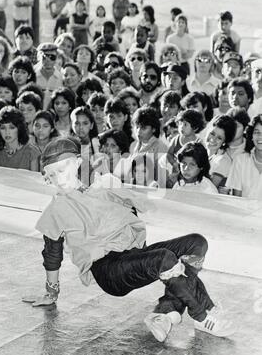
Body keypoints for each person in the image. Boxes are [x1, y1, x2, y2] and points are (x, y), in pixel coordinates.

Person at [22, 136, 235, 342]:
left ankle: (166, 314)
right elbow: (52, 254)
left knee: (196, 243)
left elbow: (134, 213)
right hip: (108, 270)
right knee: (164, 258)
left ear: (78, 163)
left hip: (132, 255)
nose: (58, 178)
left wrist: (110, 189)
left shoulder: (104, 185)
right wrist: (51, 293)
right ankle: (202, 316)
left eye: (61, 170)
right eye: (51, 174)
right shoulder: (55, 208)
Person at [0, 106, 40, 170]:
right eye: (3, 128)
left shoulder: (31, 152)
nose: (7, 132)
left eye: (12, 128)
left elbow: (34, 179)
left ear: (19, 129)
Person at [226, 115, 262, 199]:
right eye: (257, 132)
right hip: (243, 211)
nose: (260, 137)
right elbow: (236, 199)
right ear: (252, 136)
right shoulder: (240, 160)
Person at [205, 115, 236, 192]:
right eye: (212, 133)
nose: (213, 139)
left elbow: (209, 190)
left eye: (219, 138)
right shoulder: (203, 152)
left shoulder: (223, 161)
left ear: (224, 142)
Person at [35, 43, 63, 109]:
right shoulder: (33, 75)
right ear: (39, 57)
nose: (48, 60)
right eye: (44, 57)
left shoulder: (61, 77)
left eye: (52, 57)